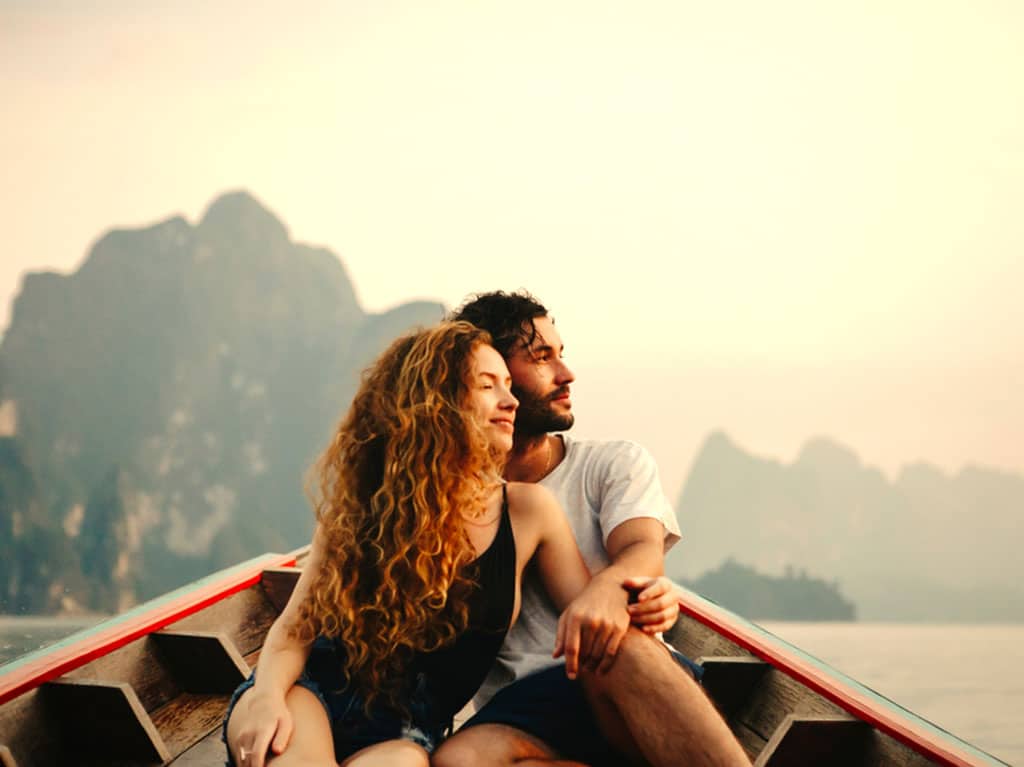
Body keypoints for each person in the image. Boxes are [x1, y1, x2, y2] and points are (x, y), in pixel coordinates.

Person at [223, 321, 591, 767]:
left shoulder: (528, 513)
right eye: (487, 385)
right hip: (304, 697)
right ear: (438, 402)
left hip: (408, 740)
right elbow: (294, 632)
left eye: (509, 385)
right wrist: (265, 697)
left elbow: (592, 613)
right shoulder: (361, 509)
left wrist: (634, 582)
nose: (510, 401)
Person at [433, 292, 750, 767]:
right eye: (542, 358)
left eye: (561, 354)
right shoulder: (447, 498)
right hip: (524, 711)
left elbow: (642, 548)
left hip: (629, 684)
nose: (566, 374)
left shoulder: (612, 464)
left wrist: (608, 589)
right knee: (458, 762)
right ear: (487, 378)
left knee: (611, 640)